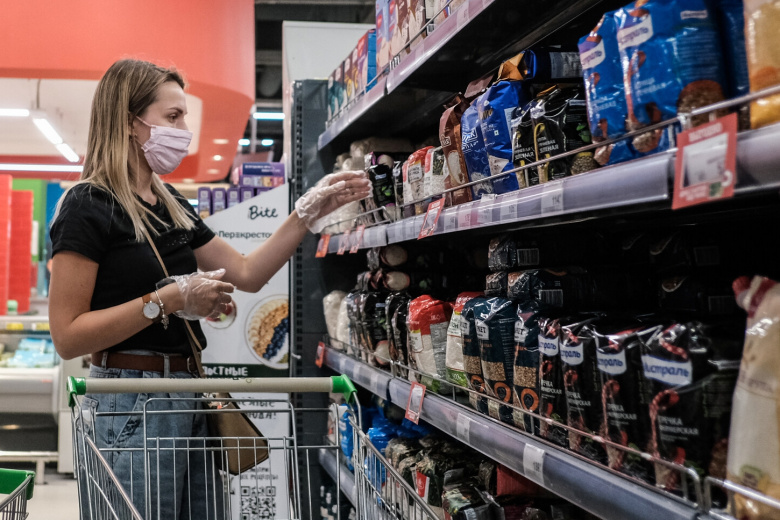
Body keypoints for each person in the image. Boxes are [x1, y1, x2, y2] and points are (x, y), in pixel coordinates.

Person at [48, 58, 371, 519]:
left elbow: (246, 272)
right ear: (129, 122)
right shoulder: (88, 204)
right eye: (173, 116)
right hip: (130, 398)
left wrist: (305, 213)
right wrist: (171, 299)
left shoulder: (171, 204)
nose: (184, 130)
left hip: (189, 388)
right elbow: (67, 335)